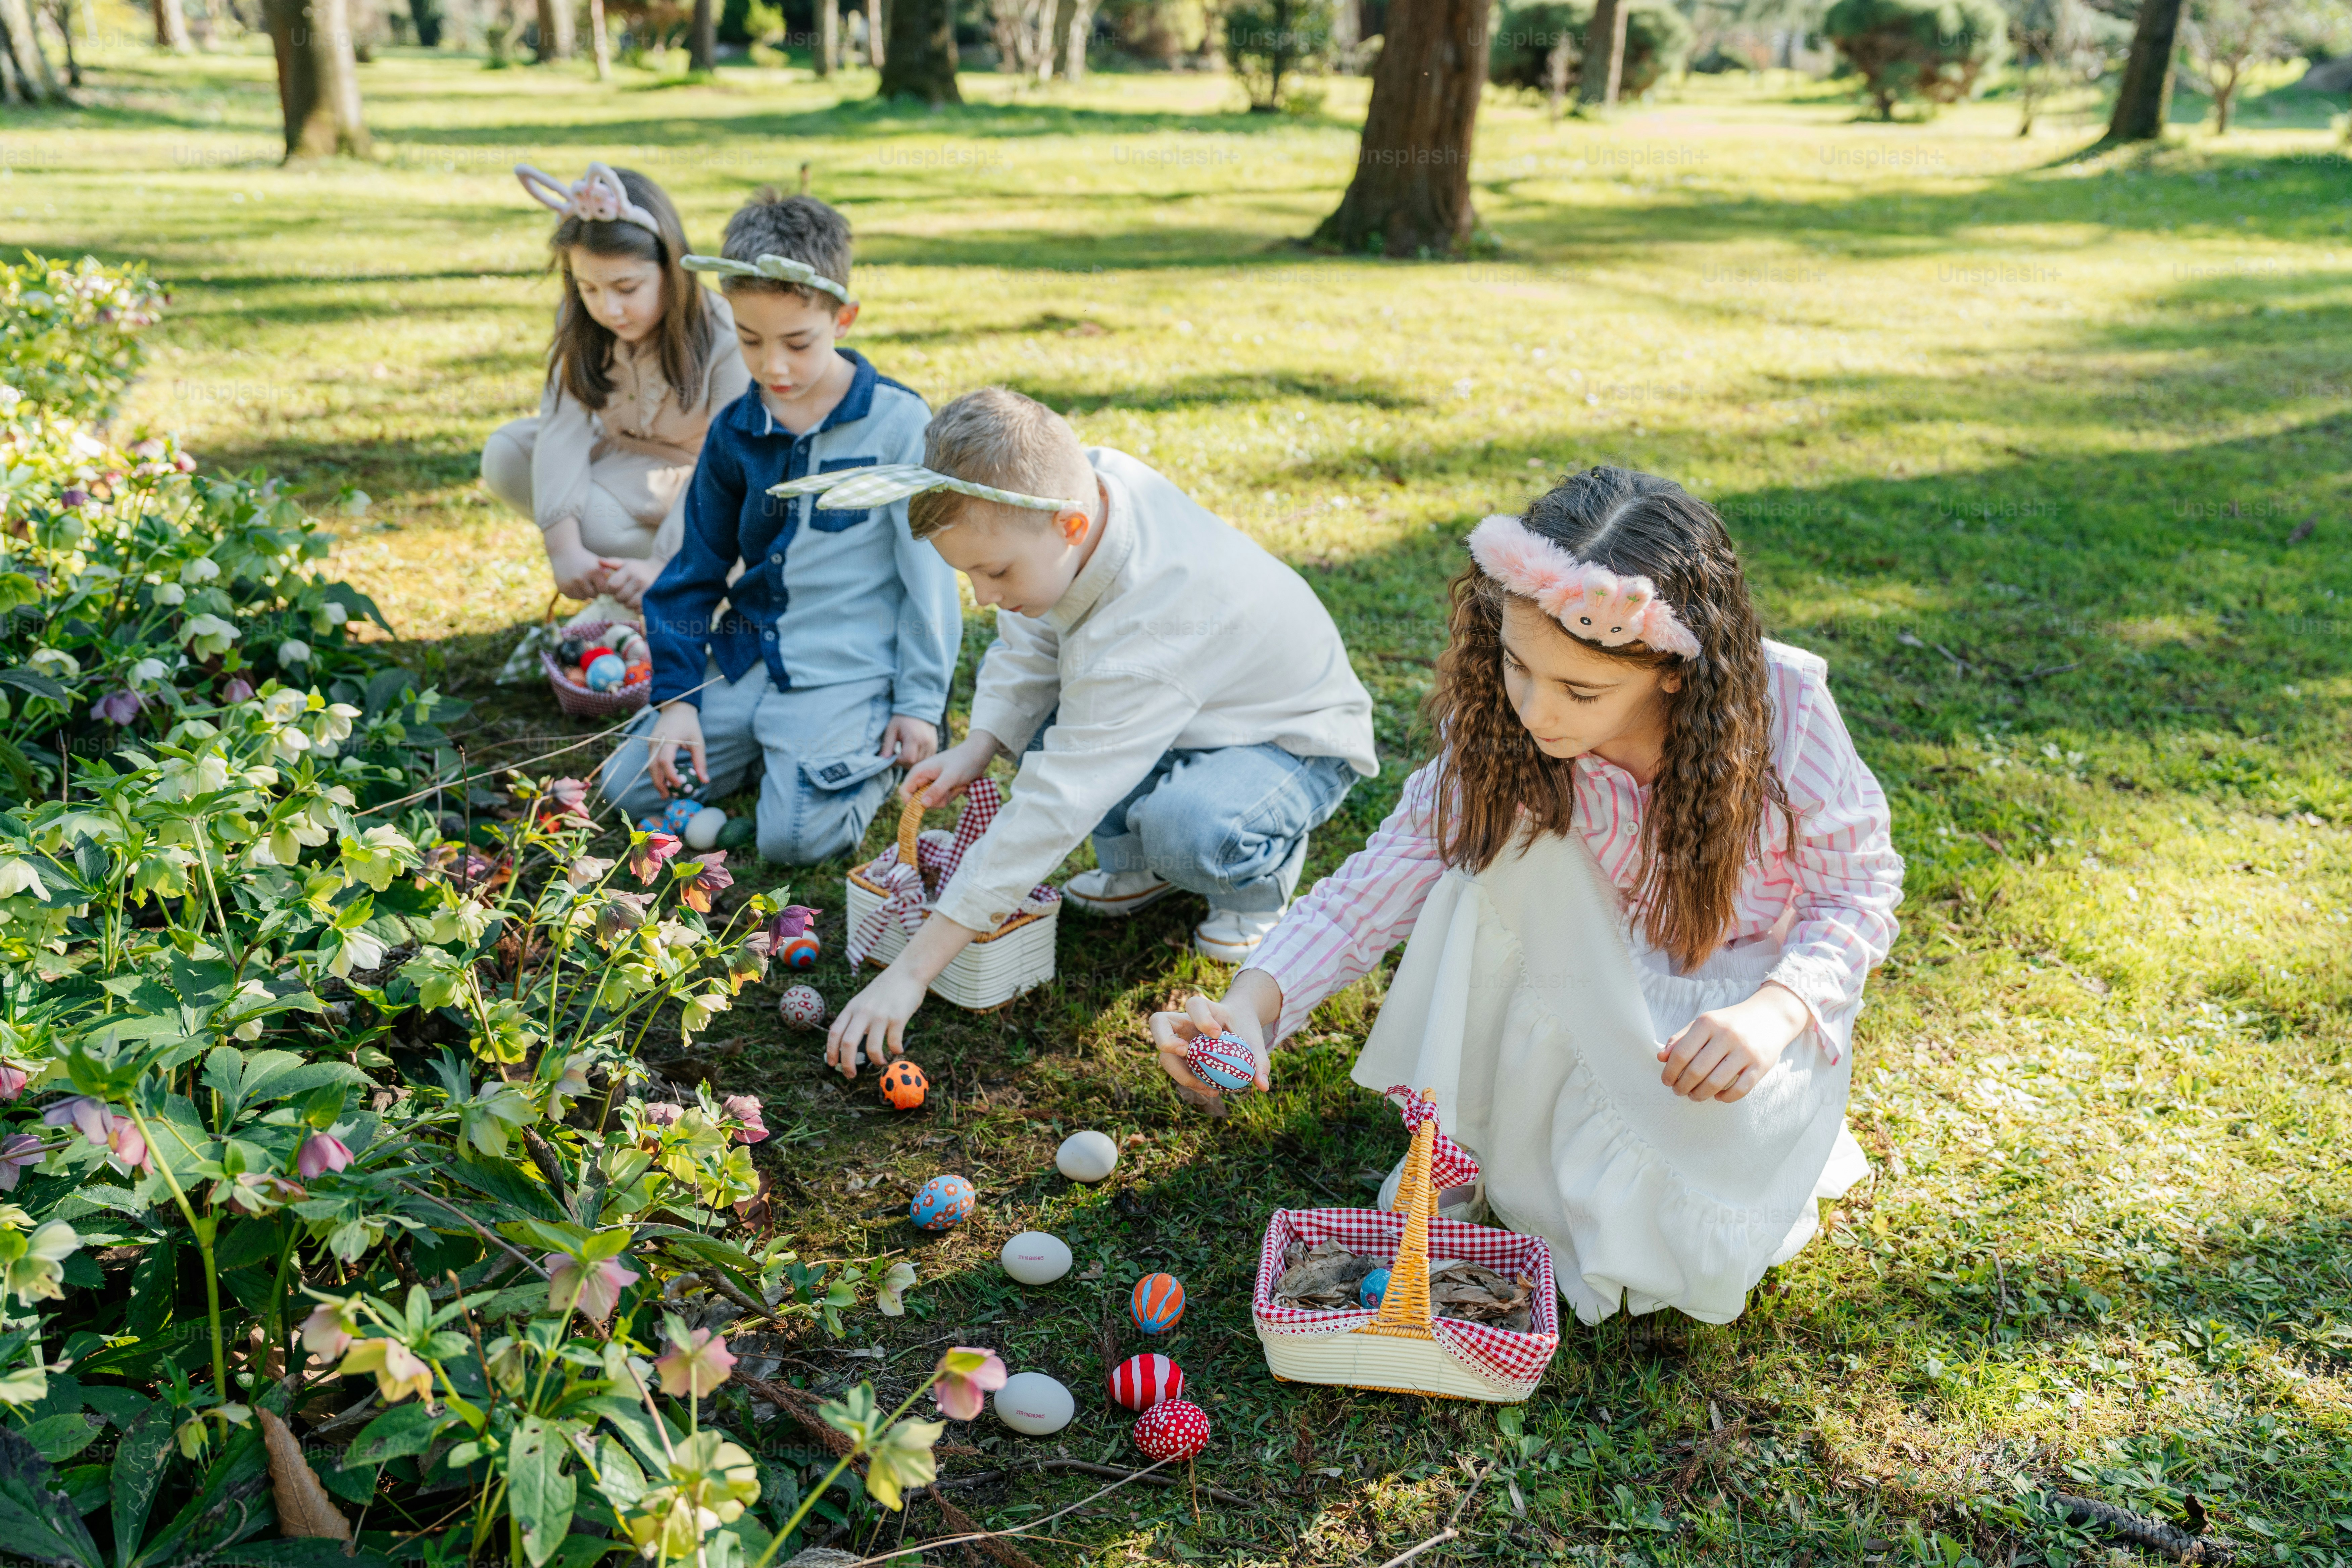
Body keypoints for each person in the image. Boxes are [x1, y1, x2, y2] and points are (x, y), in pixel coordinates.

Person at [1148, 467, 1904, 1326]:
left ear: (1669, 671)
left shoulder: (1785, 711)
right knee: (1484, 864)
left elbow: (1861, 889)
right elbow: (1379, 882)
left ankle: (1576, 1158)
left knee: (1677, 1228)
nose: (1537, 710)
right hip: (1592, 977)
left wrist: (1775, 1012)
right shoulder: (1509, 734)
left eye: (1582, 691)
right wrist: (1253, 1002)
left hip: (1736, 1019)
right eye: (1517, 666)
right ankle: (1465, 1143)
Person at [811, 387, 1377, 1071]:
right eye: (969, 576)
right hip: (1183, 715)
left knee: (1189, 827)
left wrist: (912, 969)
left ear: (1071, 527)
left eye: (994, 572)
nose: (985, 597)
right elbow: (1028, 641)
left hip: (1288, 742)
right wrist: (980, 742)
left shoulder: (1153, 616)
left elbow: (1059, 799)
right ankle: (1139, 867)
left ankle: (1252, 884)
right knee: (1056, 729)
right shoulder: (1070, 498)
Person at [598, 189, 959, 865]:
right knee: (627, 789)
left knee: (792, 841)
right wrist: (678, 699)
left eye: (798, 342)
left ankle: (851, 751)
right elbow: (694, 569)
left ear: (844, 318)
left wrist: (918, 702)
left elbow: (929, 581)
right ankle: (773, 750)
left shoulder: (899, 424)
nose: (774, 367)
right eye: (751, 340)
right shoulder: (737, 428)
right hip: (748, 655)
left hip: (846, 668)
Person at [481, 163, 748, 612]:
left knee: (595, 518)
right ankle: (620, 576)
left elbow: (724, 467)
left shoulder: (725, 337)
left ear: (672, 268)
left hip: (699, 480)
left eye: (628, 287)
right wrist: (562, 548)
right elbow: (562, 428)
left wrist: (664, 558)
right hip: (620, 455)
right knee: (508, 453)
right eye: (589, 288)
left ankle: (677, 581)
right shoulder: (582, 322)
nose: (611, 309)